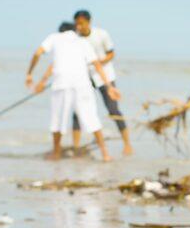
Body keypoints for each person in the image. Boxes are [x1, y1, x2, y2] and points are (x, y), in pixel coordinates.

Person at [25, 21, 120, 161]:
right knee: (92, 118)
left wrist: (30, 74)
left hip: (61, 84)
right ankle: (105, 154)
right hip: (83, 84)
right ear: (74, 30)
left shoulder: (54, 37)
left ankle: (56, 154)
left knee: (57, 120)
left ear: (60, 31)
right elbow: (97, 65)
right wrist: (109, 86)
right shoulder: (82, 41)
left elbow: (38, 53)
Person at [72, 10, 133, 157]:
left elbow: (111, 53)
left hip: (105, 76)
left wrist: (97, 63)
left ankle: (127, 144)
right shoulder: (74, 38)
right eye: (77, 23)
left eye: (81, 23)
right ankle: (76, 147)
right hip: (85, 78)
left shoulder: (101, 34)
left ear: (88, 22)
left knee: (113, 110)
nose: (79, 26)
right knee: (78, 112)